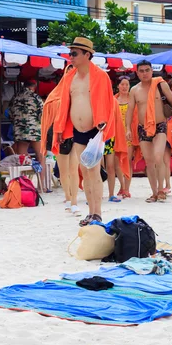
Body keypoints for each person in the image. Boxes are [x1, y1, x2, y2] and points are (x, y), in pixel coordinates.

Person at [53, 37, 115, 226]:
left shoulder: (100, 76)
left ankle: (97, 213)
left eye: (74, 53)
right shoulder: (69, 77)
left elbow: (108, 102)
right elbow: (63, 103)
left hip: (95, 130)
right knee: (85, 172)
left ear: (87, 55)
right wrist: (60, 127)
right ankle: (91, 212)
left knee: (94, 172)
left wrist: (103, 124)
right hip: (77, 131)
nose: (70, 57)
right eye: (70, 53)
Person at [125, 60, 172, 203]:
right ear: (137, 73)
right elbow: (130, 110)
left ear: (151, 71)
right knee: (149, 162)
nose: (144, 73)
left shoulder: (160, 84)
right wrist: (127, 128)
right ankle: (154, 192)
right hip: (143, 128)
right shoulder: (135, 90)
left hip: (160, 125)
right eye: (141, 71)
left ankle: (161, 190)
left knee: (158, 157)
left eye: (147, 70)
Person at [41, 67, 80, 216]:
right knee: (64, 170)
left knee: (73, 168)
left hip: (75, 132)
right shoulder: (57, 92)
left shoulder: (79, 92)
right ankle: (68, 199)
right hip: (60, 133)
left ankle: (74, 201)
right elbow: (48, 107)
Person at [9, 80, 46, 190]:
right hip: (34, 130)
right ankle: (41, 186)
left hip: (20, 130)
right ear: (34, 87)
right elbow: (42, 114)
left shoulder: (15, 97)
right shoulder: (35, 97)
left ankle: (24, 185)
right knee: (41, 156)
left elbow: (10, 113)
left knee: (22, 159)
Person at [104, 98, 130, 203]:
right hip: (96, 136)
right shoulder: (94, 97)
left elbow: (117, 121)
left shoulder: (112, 100)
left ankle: (111, 194)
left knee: (110, 167)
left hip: (109, 136)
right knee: (97, 168)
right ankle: (97, 194)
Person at [115, 76, 134, 198]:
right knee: (117, 162)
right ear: (118, 86)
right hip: (116, 133)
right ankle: (122, 186)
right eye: (122, 84)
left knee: (128, 161)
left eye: (127, 84)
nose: (125, 87)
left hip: (129, 133)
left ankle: (127, 188)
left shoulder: (132, 99)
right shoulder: (113, 99)